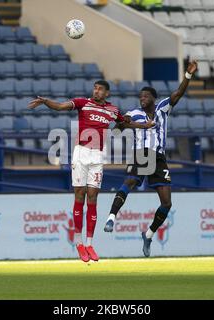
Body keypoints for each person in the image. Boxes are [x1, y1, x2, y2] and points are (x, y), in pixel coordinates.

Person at [28, 80, 155, 263]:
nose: (96, 91)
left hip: (97, 156)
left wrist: (144, 126)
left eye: (100, 89)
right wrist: (46, 101)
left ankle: (89, 244)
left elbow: (125, 124)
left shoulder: (112, 110)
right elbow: (61, 106)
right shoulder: (83, 103)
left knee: (93, 198)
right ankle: (79, 243)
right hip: (81, 153)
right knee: (80, 195)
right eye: (95, 88)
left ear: (107, 93)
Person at [103, 61, 198, 257]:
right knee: (129, 182)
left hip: (159, 158)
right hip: (141, 154)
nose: (142, 99)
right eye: (140, 97)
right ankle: (111, 217)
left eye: (146, 96)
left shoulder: (163, 108)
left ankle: (148, 234)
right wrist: (123, 123)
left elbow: (178, 93)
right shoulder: (134, 114)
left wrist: (188, 76)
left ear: (153, 98)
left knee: (167, 203)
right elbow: (117, 130)